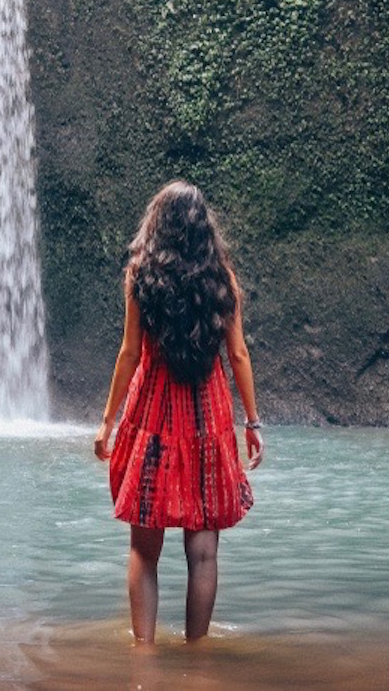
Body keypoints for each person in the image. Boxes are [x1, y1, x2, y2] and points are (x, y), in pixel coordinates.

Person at [93, 180, 264, 645]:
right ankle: (197, 655)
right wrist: (252, 422)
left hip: (152, 415)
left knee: (144, 550)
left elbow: (129, 354)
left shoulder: (140, 276)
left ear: (158, 226)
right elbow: (239, 355)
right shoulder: (222, 281)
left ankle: (143, 657)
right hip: (207, 416)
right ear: (204, 229)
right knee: (204, 553)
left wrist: (108, 421)